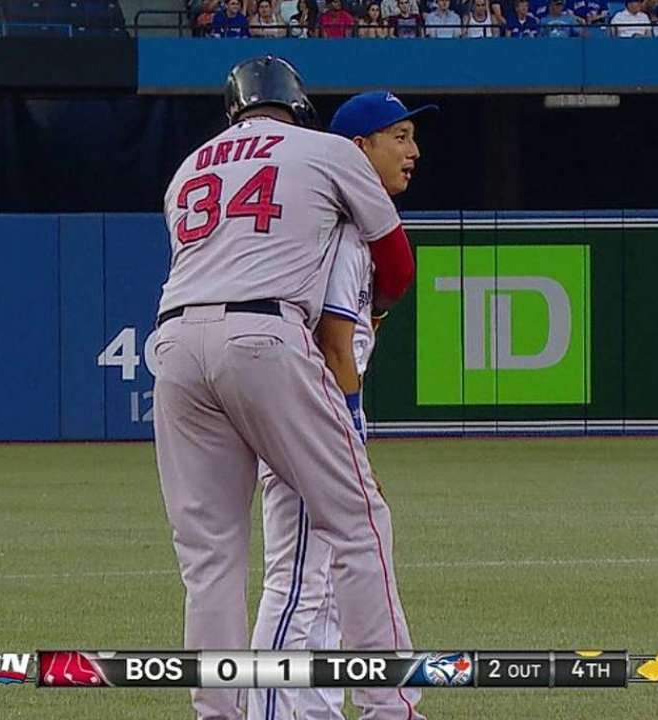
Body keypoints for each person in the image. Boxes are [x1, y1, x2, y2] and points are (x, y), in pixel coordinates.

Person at [155, 55, 424, 720]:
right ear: (298, 103)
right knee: (359, 523)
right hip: (267, 333)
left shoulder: (188, 167)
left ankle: (218, 712)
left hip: (174, 344)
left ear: (232, 109)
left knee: (211, 558)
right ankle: (390, 706)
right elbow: (394, 257)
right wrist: (381, 304)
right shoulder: (325, 149)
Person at [247, 89, 434, 720]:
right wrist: (350, 432)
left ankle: (315, 710)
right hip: (310, 412)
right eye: (399, 137)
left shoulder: (345, 227)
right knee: (300, 582)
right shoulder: (342, 231)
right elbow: (332, 342)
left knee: (321, 583)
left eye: (412, 137)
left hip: (303, 408)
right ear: (358, 150)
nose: (413, 151)